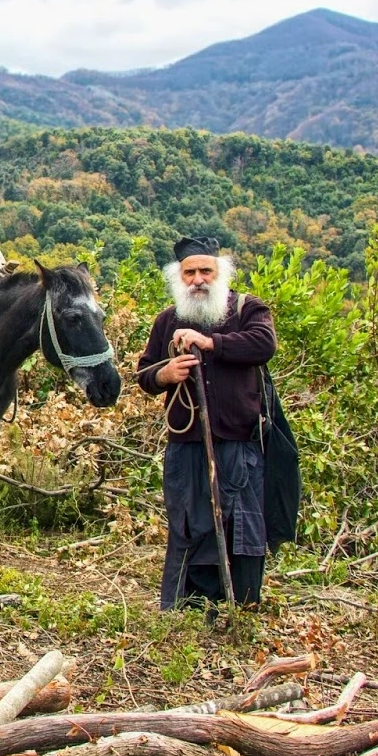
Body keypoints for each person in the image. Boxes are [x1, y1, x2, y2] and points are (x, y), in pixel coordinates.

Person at [137, 236, 277, 609]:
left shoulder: (248, 309)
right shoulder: (167, 320)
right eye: (190, 273)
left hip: (239, 444)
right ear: (178, 278)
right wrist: (165, 374)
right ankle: (189, 608)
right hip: (186, 446)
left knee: (242, 526)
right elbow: (145, 374)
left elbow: (263, 345)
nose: (198, 279)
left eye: (205, 271)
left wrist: (210, 342)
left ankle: (240, 607)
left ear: (220, 274)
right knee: (188, 525)